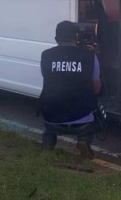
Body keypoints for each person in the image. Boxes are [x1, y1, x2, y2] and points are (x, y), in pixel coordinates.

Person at [39, 20, 102, 159]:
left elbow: (47, 79)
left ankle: (48, 144)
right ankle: (83, 140)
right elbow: (96, 87)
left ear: (56, 39)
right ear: (77, 37)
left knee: (49, 130)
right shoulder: (90, 56)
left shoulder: (46, 55)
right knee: (92, 114)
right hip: (82, 117)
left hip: (52, 116)